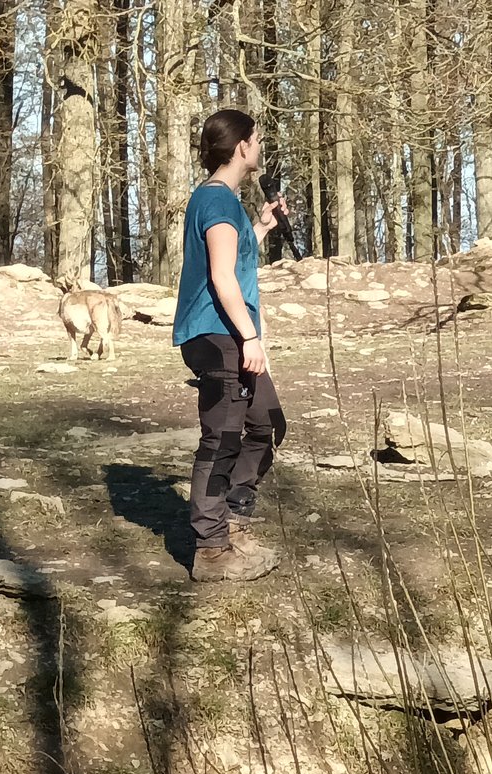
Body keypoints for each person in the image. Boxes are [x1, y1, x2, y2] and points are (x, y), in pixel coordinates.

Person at [172, 108, 290, 582]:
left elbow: (231, 258)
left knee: (266, 425)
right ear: (242, 145)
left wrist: (261, 228)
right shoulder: (217, 202)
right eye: (257, 139)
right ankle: (212, 550)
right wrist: (251, 337)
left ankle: (234, 522)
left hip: (227, 334)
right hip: (218, 335)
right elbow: (222, 278)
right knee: (220, 439)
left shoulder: (223, 202)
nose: (260, 147)